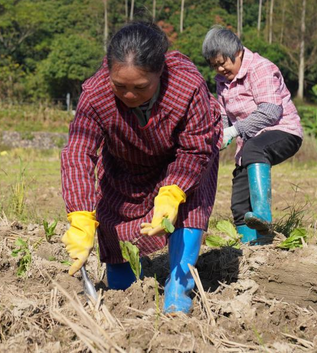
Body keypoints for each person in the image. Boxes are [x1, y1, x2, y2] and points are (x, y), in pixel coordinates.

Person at [60, 22, 222, 314]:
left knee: (189, 207)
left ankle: (178, 287)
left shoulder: (187, 86)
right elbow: (78, 152)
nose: (130, 96)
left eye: (140, 87)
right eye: (120, 86)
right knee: (114, 217)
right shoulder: (95, 94)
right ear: (108, 71)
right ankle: (124, 290)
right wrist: (81, 215)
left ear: (160, 72)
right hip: (126, 161)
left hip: (183, 159)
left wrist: (173, 192)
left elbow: (196, 148)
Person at [202, 26, 303, 244]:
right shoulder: (222, 82)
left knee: (255, 149)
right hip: (249, 147)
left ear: (237, 52)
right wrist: (216, 137)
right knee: (239, 202)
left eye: (222, 62)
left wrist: (235, 130)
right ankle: (251, 249)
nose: (219, 69)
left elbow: (270, 111)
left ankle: (263, 218)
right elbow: (224, 117)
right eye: (214, 66)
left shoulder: (260, 68)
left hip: (282, 130)